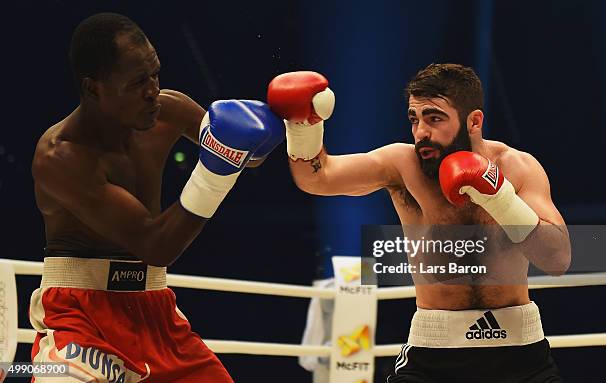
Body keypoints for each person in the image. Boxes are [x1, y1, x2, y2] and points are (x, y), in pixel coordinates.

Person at [267, 65, 571, 382]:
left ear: (474, 121)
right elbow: (318, 178)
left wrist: (500, 198)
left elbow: (557, 258)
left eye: (434, 118)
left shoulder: (518, 167)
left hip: (521, 356)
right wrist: (303, 126)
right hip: (433, 356)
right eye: (414, 119)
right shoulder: (402, 165)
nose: (421, 132)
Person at [29, 13, 284, 383]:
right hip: (80, 316)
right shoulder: (62, 156)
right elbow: (156, 245)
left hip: (156, 311)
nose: (152, 90)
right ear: (93, 88)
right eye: (136, 83)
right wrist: (217, 171)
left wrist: (290, 120)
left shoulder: (168, 109)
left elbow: (245, 152)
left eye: (154, 74)